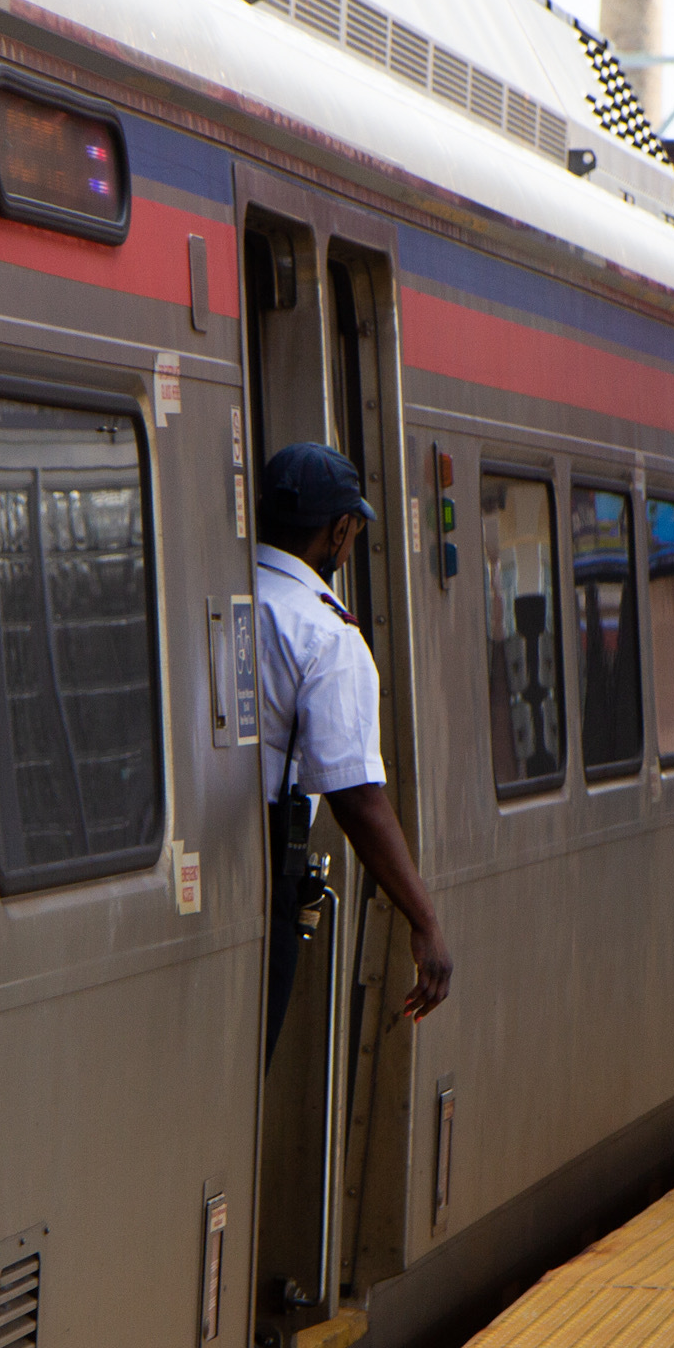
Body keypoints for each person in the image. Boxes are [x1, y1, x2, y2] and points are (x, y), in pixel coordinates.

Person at [255, 442, 452, 1063]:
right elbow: (356, 798)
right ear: (339, 529)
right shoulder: (326, 635)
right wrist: (425, 922)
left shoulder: (220, 592)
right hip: (266, 877)